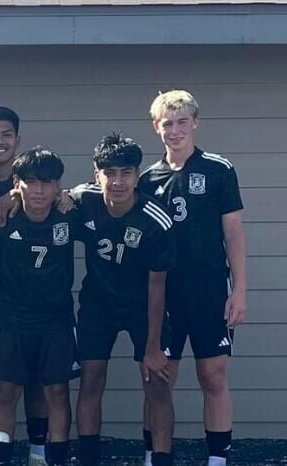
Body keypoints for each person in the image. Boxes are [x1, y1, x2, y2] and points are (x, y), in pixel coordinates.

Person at [139, 90, 246, 466]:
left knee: (212, 375)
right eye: (167, 123)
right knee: (157, 379)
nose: (175, 130)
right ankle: (155, 454)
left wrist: (241, 291)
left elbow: (233, 232)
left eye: (182, 121)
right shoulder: (147, 179)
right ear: (156, 127)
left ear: (195, 123)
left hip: (210, 290)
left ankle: (217, 458)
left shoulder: (218, 169)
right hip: (163, 294)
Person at [72, 133, 176, 466]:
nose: (117, 181)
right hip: (97, 304)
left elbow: (157, 285)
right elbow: (44, 199)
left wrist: (153, 345)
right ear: (96, 173)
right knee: (91, 380)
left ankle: (160, 458)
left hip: (143, 307)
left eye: (126, 173)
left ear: (137, 175)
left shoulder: (155, 219)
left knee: (157, 383)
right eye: (110, 173)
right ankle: (89, 457)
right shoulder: (82, 200)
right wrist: (12, 197)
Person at [0, 147, 77, 466]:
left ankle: (52, 458)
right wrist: (6, 197)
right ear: (17, 183)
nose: (38, 190)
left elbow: (98, 196)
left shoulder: (70, 213)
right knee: (6, 391)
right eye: (30, 182)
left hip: (57, 321)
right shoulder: (2, 215)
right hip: (12, 319)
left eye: (47, 183)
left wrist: (72, 197)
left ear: (58, 186)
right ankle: (2, 460)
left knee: (56, 393)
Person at [0, 106, 50, 466]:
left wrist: (17, 194)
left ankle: (38, 451)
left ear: (17, 140)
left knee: (36, 378)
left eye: (6, 134)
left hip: (34, 300)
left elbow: (65, 197)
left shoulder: (37, 182)